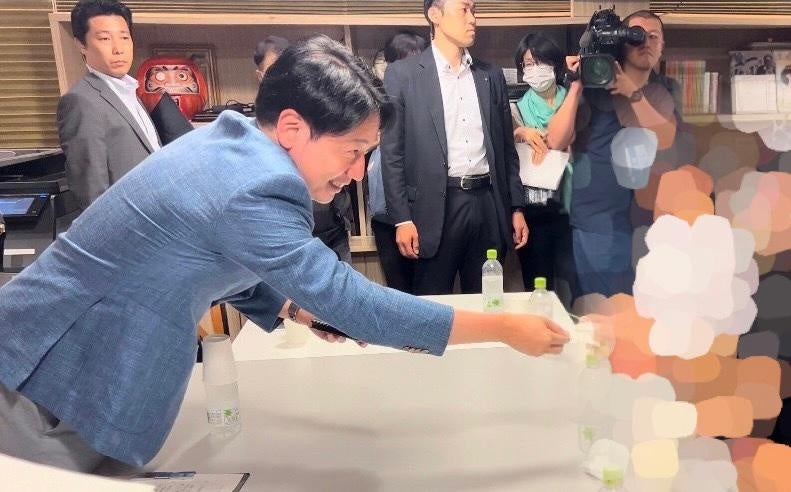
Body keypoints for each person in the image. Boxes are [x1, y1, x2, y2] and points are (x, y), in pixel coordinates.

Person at [0, 35, 569, 473]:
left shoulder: (236, 144)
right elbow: (351, 300)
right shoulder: (257, 184)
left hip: (77, 369)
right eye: (352, 151)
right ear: (293, 127)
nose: (356, 174)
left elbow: (214, 253)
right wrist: (502, 328)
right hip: (45, 376)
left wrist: (292, 308)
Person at [381, 0, 528, 295]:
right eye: (464, 9)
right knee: (431, 303)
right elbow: (392, 152)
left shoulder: (490, 75)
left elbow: (506, 149)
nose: (472, 19)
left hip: (488, 202)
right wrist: (402, 218)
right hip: (434, 206)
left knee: (487, 300)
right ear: (435, 14)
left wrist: (516, 207)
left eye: (474, 10)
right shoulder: (403, 75)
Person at [565, 10, 678, 297]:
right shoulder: (594, 86)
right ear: (622, 42)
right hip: (600, 222)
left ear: (663, 46)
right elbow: (557, 139)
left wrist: (633, 93)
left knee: (650, 308)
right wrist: (574, 83)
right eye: (637, 36)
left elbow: (665, 139)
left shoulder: (666, 90)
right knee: (603, 309)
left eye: (653, 37)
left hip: (653, 222)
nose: (645, 43)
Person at [254, 35, 355, 262]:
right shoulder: (260, 127)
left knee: (341, 280)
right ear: (260, 76)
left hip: (332, 227)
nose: (283, 80)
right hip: (286, 232)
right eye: (273, 72)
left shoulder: (323, 110)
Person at [57, 0, 160, 213]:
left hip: (155, 217)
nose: (118, 49)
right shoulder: (80, 101)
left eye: (124, 37)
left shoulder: (129, 90)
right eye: (105, 39)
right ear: (81, 44)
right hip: (126, 224)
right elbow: (91, 192)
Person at [511, 33, 580, 301]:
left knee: (575, 289)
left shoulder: (575, 99)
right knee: (538, 287)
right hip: (536, 211)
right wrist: (519, 133)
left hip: (575, 208)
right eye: (528, 64)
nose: (534, 69)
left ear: (554, 63)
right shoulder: (516, 110)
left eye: (539, 62)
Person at [368, 31, 428, 293]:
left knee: (427, 290)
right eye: (404, 62)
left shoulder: (430, 100)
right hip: (385, 214)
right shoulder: (373, 101)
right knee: (398, 289)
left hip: (425, 212)